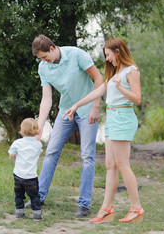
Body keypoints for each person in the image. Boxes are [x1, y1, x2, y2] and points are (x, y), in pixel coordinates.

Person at [64, 37, 144, 223]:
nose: (107, 59)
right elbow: (98, 92)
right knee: (110, 165)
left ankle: (136, 207)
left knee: (123, 165)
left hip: (123, 118)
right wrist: (76, 105)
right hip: (112, 118)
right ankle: (107, 208)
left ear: (118, 52)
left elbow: (137, 99)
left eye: (108, 55)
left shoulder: (131, 71)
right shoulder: (114, 73)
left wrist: (119, 87)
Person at [29, 34, 103, 217]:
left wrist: (95, 107)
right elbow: (46, 99)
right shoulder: (43, 67)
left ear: (52, 49)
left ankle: (84, 204)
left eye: (44, 57)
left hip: (87, 110)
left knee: (87, 156)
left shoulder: (77, 55)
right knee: (51, 151)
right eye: (40, 59)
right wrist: (39, 126)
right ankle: (39, 196)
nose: (43, 61)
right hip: (66, 111)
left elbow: (99, 79)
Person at [8, 118, 44, 221]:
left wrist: (15, 157)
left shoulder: (17, 143)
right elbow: (38, 152)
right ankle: (37, 215)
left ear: (22, 130)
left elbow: (11, 155)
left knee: (19, 195)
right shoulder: (38, 144)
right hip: (31, 176)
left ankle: (20, 213)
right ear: (37, 131)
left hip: (18, 175)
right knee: (34, 196)